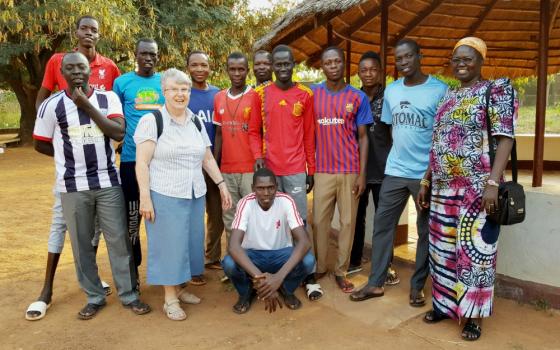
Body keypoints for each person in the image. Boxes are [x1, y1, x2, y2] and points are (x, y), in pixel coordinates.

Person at [32, 51, 151, 320]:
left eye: (81, 68)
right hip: (72, 187)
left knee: (118, 239)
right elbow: (40, 142)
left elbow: (118, 132)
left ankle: (129, 295)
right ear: (61, 73)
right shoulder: (51, 105)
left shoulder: (108, 98)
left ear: (90, 71)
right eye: (70, 68)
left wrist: (86, 105)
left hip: (108, 182)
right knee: (82, 244)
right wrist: (66, 155)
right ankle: (94, 296)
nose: (76, 72)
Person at [416, 37, 517, 341]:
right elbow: (439, 143)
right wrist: (426, 179)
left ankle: (474, 316)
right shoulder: (449, 95)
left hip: (477, 191)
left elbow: (505, 138)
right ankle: (445, 305)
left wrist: (493, 182)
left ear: (481, 61)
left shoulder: (495, 90)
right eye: (456, 59)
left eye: (467, 59)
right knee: (442, 250)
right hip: (442, 190)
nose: (460, 64)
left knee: (475, 253)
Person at [27, 15, 120, 321]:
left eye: (94, 29)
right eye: (84, 28)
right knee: (61, 225)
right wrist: (65, 153)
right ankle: (46, 290)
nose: (89, 33)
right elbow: (43, 99)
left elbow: (115, 113)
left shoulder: (109, 68)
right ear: (76, 31)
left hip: (103, 166)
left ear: (99, 34)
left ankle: (93, 283)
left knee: (95, 231)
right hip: (69, 174)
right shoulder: (57, 60)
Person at [350, 39, 447, 306]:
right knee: (382, 225)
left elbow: (442, 137)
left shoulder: (439, 90)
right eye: (399, 59)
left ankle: (417, 286)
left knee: (424, 230)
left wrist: (429, 174)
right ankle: (376, 282)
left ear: (419, 56)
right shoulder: (392, 91)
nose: (403, 62)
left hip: (424, 174)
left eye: (408, 57)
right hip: (395, 170)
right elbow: (392, 131)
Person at [134, 68, 232, 321]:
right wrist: (144, 197)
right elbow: (142, 163)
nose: (180, 94)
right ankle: (169, 298)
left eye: (185, 89)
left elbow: (207, 157)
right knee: (170, 245)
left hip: (194, 192)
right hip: (165, 193)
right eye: (175, 89)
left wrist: (221, 185)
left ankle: (181, 287)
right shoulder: (152, 121)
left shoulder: (195, 120)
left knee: (189, 243)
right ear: (164, 92)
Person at [248, 44, 322, 301]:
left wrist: (310, 169)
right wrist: (258, 157)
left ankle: (309, 275)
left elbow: (309, 135)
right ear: (271, 66)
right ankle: (279, 272)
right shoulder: (260, 94)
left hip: (295, 170)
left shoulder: (305, 94)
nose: (281, 68)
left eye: (286, 63)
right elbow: (253, 131)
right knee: (272, 221)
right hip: (269, 172)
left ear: (293, 64)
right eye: (277, 64)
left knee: (299, 220)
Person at [311, 47, 372, 293]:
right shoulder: (313, 93)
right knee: (318, 222)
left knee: (347, 223)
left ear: (344, 64)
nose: (333, 65)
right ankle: (319, 267)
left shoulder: (358, 97)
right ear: (322, 66)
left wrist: (362, 173)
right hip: (322, 170)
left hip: (350, 171)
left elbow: (363, 138)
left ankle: (341, 270)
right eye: (328, 62)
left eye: (337, 61)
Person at [222, 168, 315, 314]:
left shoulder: (286, 201)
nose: (266, 193)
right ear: (253, 189)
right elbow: (233, 246)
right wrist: (261, 279)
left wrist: (278, 278)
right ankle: (246, 292)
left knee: (308, 260)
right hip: (253, 256)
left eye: (270, 187)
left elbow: (305, 241)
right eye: (260, 188)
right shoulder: (245, 203)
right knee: (229, 263)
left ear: (276, 187)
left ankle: (286, 289)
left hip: (280, 255)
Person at [113, 38, 164, 289]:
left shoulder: (165, 82)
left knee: (162, 218)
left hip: (162, 162)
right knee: (132, 219)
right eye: (143, 53)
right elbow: (115, 119)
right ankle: (132, 274)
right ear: (135, 54)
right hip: (132, 161)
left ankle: (168, 275)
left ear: (158, 56)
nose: (148, 58)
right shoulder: (121, 83)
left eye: (152, 54)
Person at [347, 51, 399, 286]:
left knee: (384, 221)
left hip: (384, 169)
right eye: (364, 70)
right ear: (358, 73)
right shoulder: (353, 97)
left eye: (373, 69)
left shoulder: (390, 97)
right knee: (356, 219)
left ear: (380, 72)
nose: (368, 74)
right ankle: (354, 261)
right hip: (356, 170)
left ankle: (386, 266)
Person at [213, 52, 257, 246]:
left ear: (248, 71)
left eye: (241, 69)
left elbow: (259, 133)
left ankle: (253, 264)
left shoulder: (255, 97)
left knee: (251, 218)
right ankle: (235, 266)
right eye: (233, 69)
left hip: (249, 169)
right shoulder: (219, 97)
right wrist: (215, 166)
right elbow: (219, 134)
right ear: (227, 70)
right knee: (230, 218)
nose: (237, 73)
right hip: (226, 170)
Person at [186, 51, 223, 280]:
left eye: (204, 65)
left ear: (210, 68)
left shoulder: (218, 94)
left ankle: (212, 256)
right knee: (193, 216)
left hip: (213, 163)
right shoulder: (183, 93)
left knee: (216, 213)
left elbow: (221, 131)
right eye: (195, 65)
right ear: (188, 68)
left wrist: (216, 164)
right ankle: (194, 264)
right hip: (189, 165)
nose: (200, 69)